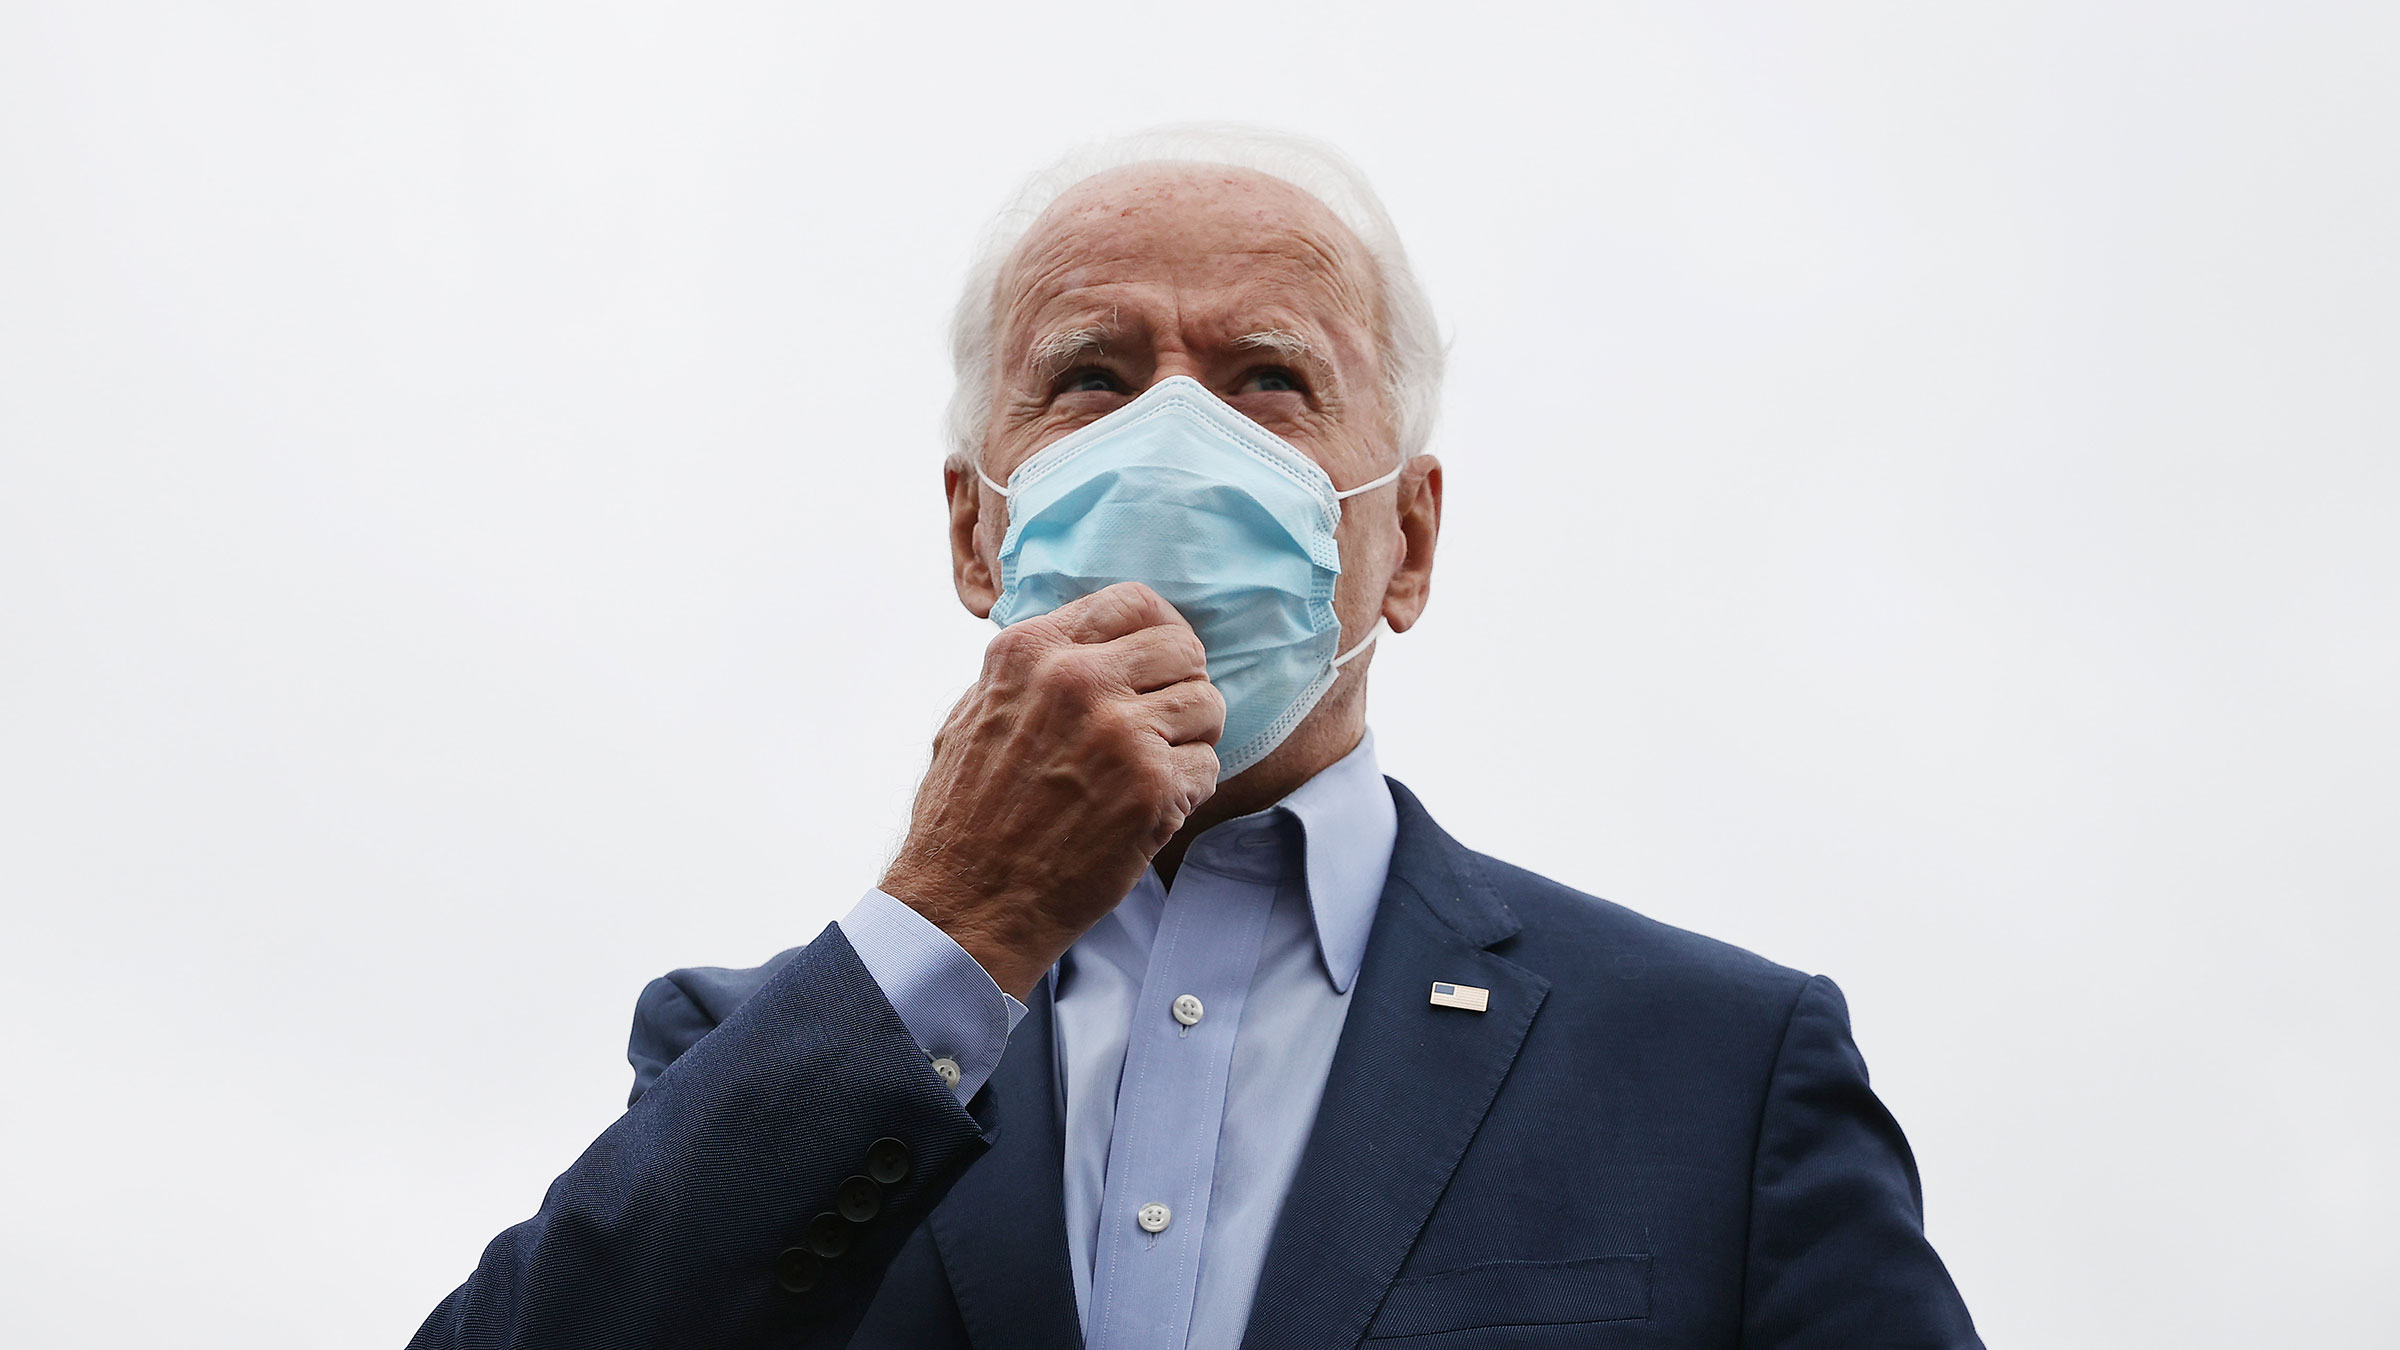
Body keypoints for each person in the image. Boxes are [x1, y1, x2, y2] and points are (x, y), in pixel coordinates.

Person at [409, 125, 1982, 1349]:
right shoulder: (748, 1051)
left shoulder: (1712, 1071)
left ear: (1410, 542)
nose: (1178, 436)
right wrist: (952, 923)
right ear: (975, 528)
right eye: (1091, 377)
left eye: (1270, 380)